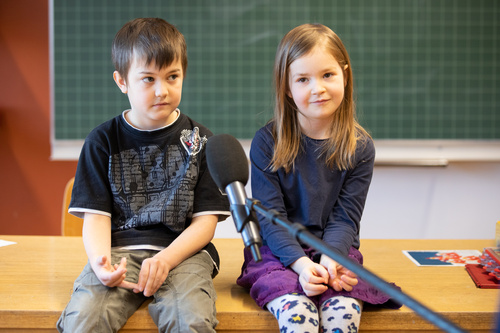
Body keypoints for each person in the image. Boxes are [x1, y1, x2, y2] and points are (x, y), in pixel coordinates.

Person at [57, 18, 229, 333]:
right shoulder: (102, 141)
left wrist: (166, 259)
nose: (161, 90)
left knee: (190, 319)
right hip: (119, 251)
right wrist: (100, 263)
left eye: (172, 76)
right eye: (147, 79)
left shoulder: (201, 140)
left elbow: (205, 223)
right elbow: (96, 218)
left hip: (184, 253)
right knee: (83, 321)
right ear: (122, 81)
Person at [237, 23, 401, 333]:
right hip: (278, 253)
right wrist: (301, 266)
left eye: (328, 75)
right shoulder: (267, 142)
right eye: (303, 79)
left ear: (345, 74)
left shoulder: (360, 147)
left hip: (334, 250)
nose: (318, 88)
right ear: (287, 88)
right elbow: (271, 219)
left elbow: (345, 219)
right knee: (298, 314)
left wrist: (330, 260)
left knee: (343, 312)